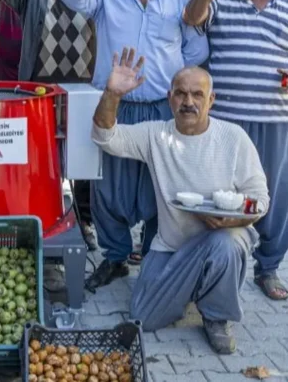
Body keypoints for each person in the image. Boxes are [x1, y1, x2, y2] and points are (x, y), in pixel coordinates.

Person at [92, 47, 269, 354]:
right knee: (142, 317)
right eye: (181, 94)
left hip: (221, 238)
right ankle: (198, 283)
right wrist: (112, 93)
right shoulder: (156, 136)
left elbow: (259, 200)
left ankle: (216, 315)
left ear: (211, 100)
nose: (189, 102)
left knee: (227, 243)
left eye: (198, 95)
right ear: (169, 97)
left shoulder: (233, 137)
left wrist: (235, 220)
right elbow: (104, 137)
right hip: (171, 247)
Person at [60, 0, 209, 290]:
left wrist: (167, 78)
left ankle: (158, 256)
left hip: (162, 110)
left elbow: (195, 51)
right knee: (108, 189)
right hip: (114, 105)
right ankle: (115, 258)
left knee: (164, 188)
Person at [0, 0, 98, 252]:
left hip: (79, 94)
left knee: (81, 163)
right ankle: (38, 221)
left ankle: (84, 222)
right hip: (39, 96)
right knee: (40, 162)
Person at [183, 0, 288, 301]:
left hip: (275, 119)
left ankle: (269, 267)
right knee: (218, 196)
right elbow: (191, 16)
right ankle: (211, 267)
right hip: (225, 122)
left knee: (274, 196)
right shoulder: (220, 0)